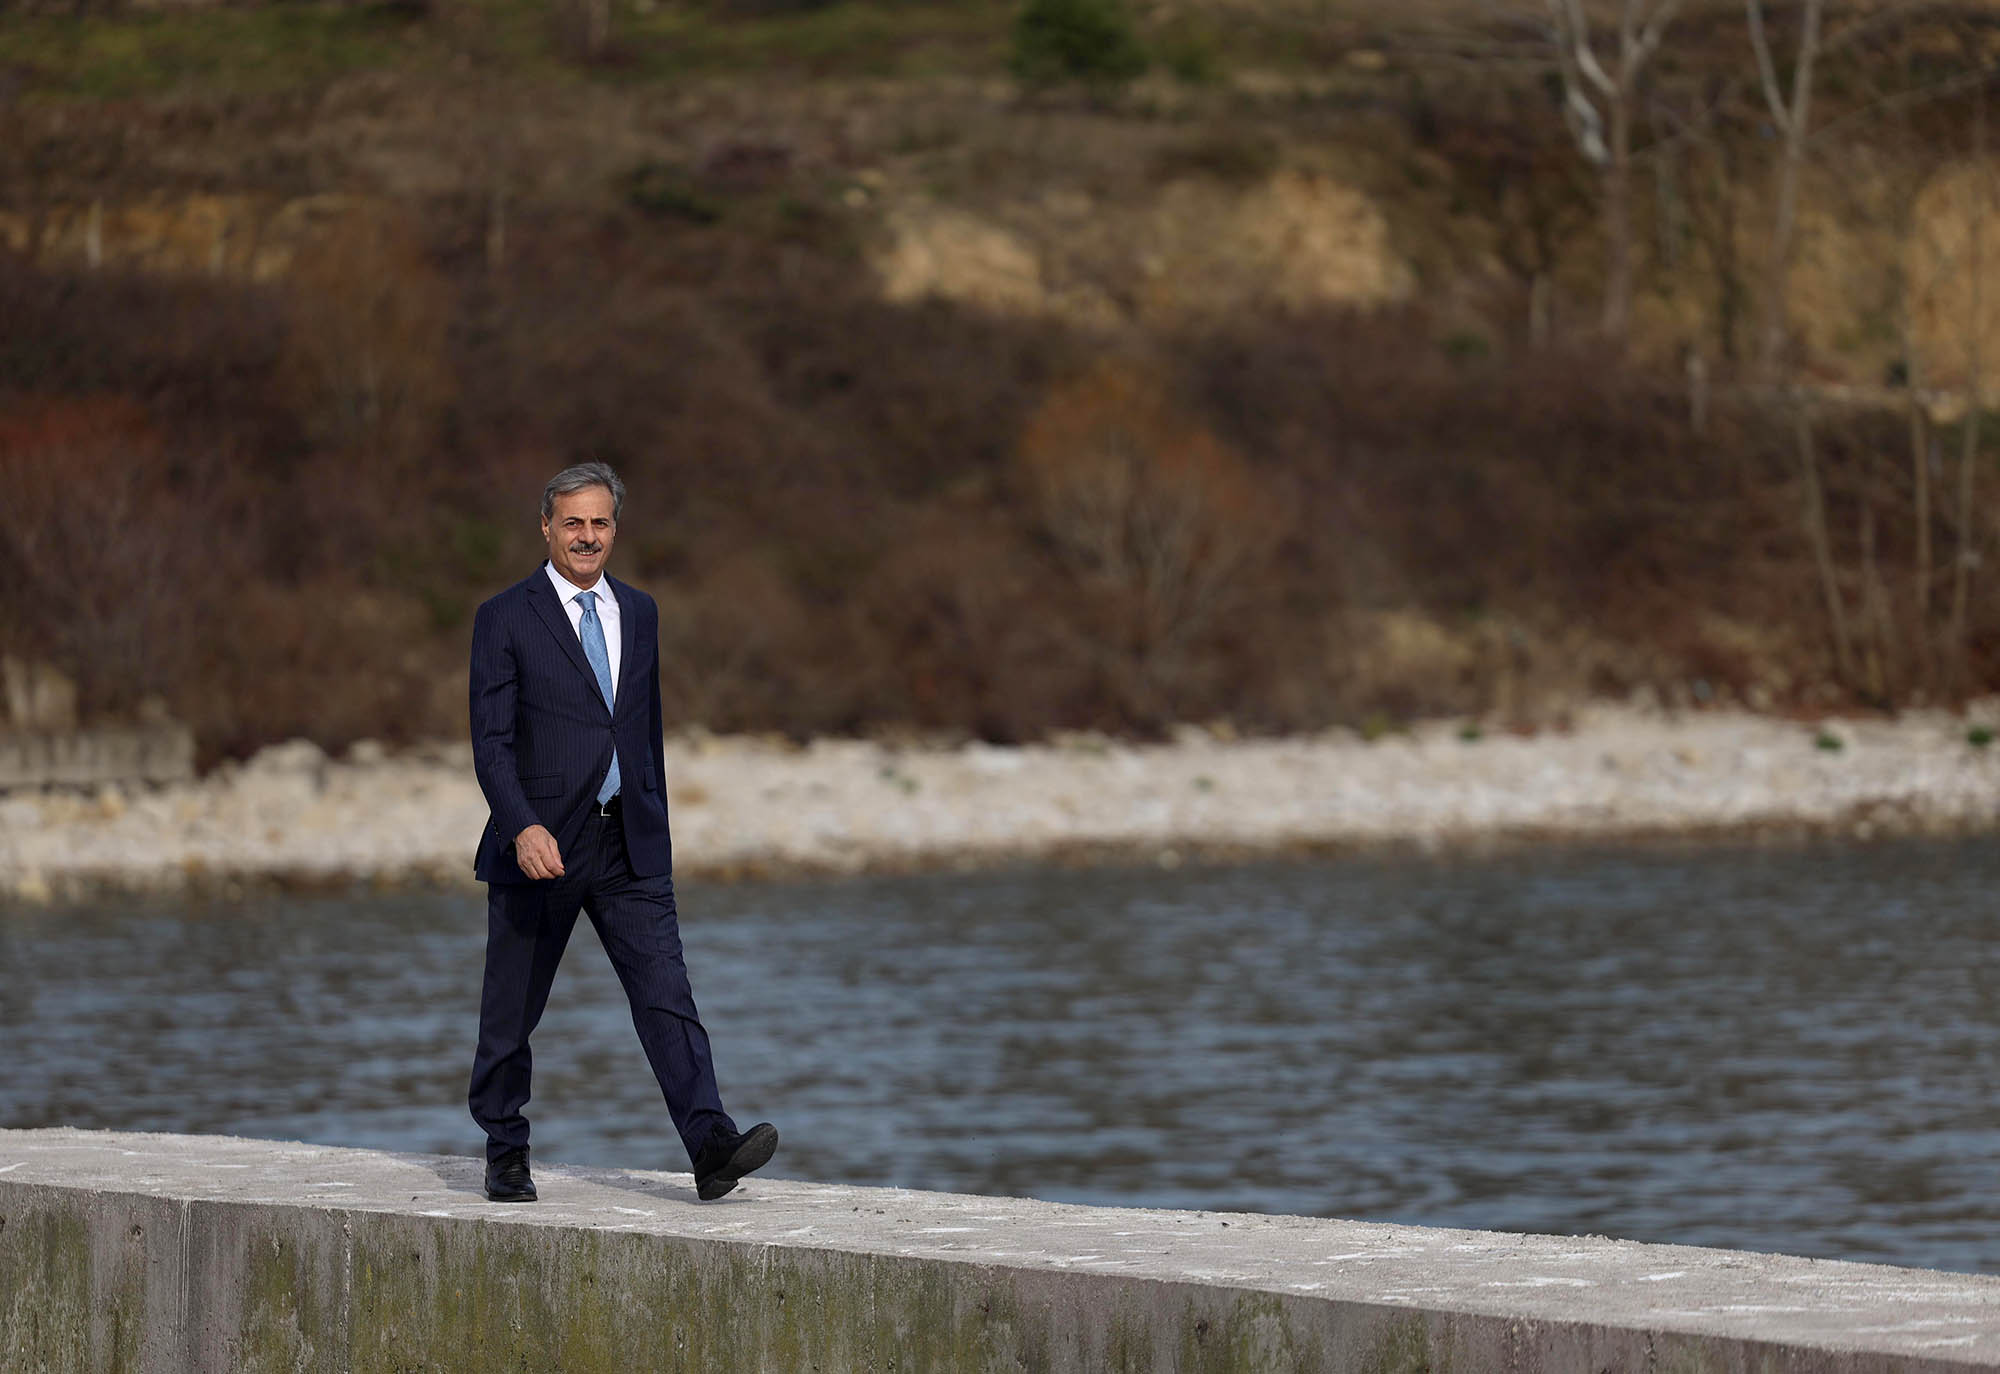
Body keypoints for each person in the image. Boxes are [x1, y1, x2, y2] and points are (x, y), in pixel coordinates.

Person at [465, 461, 776, 1203]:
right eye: (572, 522)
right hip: (541, 845)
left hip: (629, 841)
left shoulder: (640, 611)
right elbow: (490, 741)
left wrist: (655, 818)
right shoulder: (504, 616)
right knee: (512, 1009)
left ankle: (710, 1145)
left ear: (616, 529)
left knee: (668, 994)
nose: (586, 535)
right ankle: (505, 1149)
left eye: (599, 522)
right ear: (546, 527)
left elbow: (642, 730)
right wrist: (521, 826)